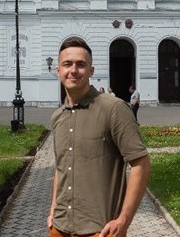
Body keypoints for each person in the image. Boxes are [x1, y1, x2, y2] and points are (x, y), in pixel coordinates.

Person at [48, 38, 151, 237]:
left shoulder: (113, 109)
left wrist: (123, 221)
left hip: (100, 231)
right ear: (58, 71)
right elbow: (60, 168)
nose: (73, 70)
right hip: (59, 229)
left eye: (81, 64)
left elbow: (141, 165)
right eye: (67, 64)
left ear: (91, 71)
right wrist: (53, 210)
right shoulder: (58, 116)